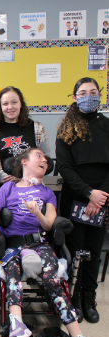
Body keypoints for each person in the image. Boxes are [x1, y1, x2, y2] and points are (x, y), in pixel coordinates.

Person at [0, 148, 94, 337]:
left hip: (40, 244)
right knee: (10, 271)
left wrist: (36, 212)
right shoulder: (8, 188)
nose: (44, 161)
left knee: (52, 280)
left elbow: (49, 225)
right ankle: (17, 322)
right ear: (23, 162)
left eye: (46, 160)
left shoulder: (47, 193)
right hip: (13, 244)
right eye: (38, 156)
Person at [56, 77, 109, 324]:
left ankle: (89, 298)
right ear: (75, 97)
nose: (90, 96)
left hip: (103, 199)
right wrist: (89, 193)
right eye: (83, 92)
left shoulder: (107, 126)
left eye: (94, 91)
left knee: (94, 252)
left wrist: (99, 198)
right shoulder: (66, 129)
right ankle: (73, 298)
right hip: (75, 198)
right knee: (75, 250)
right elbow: (65, 167)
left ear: (100, 95)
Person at [0, 86, 50, 185]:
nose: (10, 107)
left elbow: (45, 158)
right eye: (5, 103)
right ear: (0, 106)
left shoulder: (37, 128)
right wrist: (3, 177)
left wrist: (26, 179)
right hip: (0, 188)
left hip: (31, 188)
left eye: (14, 102)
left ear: (21, 104)